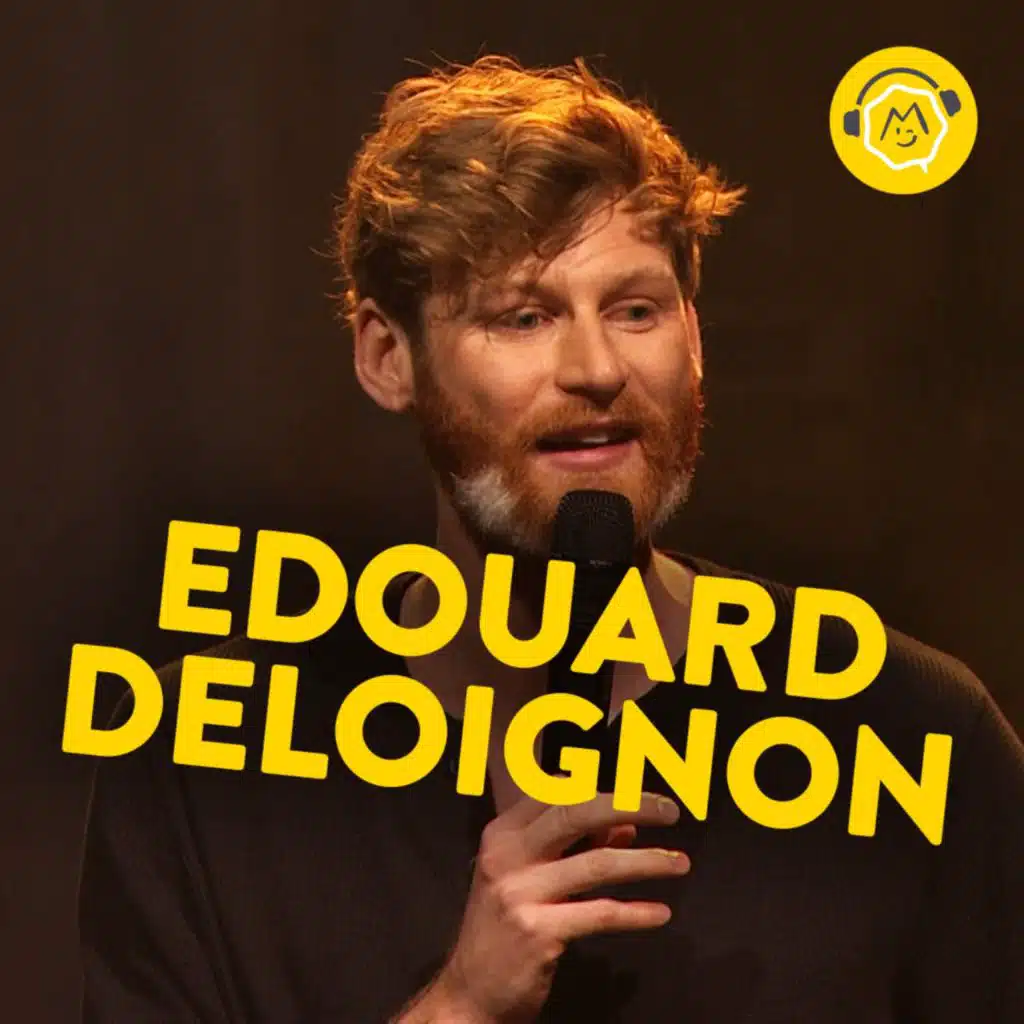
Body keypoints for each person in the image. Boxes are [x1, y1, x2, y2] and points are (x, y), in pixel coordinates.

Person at [79, 56, 1024, 1023]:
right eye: (523, 317)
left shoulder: (910, 735)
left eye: (635, 310)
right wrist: (461, 1007)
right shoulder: (202, 776)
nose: (596, 368)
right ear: (387, 356)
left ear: (695, 338)